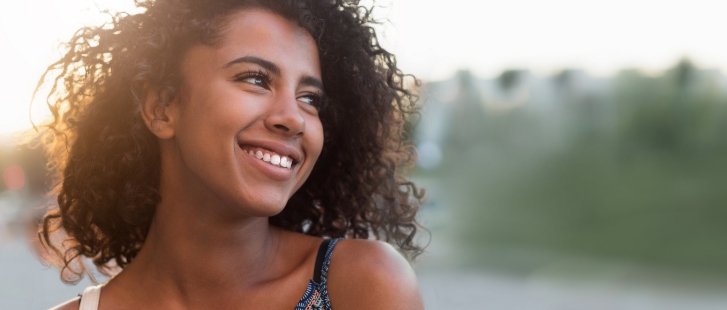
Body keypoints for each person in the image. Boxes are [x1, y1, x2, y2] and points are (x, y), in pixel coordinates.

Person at [34, 0, 425, 309]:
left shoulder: (363, 285)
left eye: (310, 98)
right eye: (255, 79)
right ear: (162, 108)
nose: (294, 118)